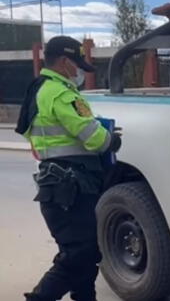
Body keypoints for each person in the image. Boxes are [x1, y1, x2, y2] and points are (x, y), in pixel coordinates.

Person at [14, 35, 121, 301]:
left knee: (84, 252)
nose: (79, 71)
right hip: (71, 187)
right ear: (63, 62)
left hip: (61, 185)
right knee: (79, 254)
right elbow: (94, 137)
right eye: (76, 64)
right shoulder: (60, 93)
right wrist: (112, 139)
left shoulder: (39, 89)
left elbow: (36, 141)